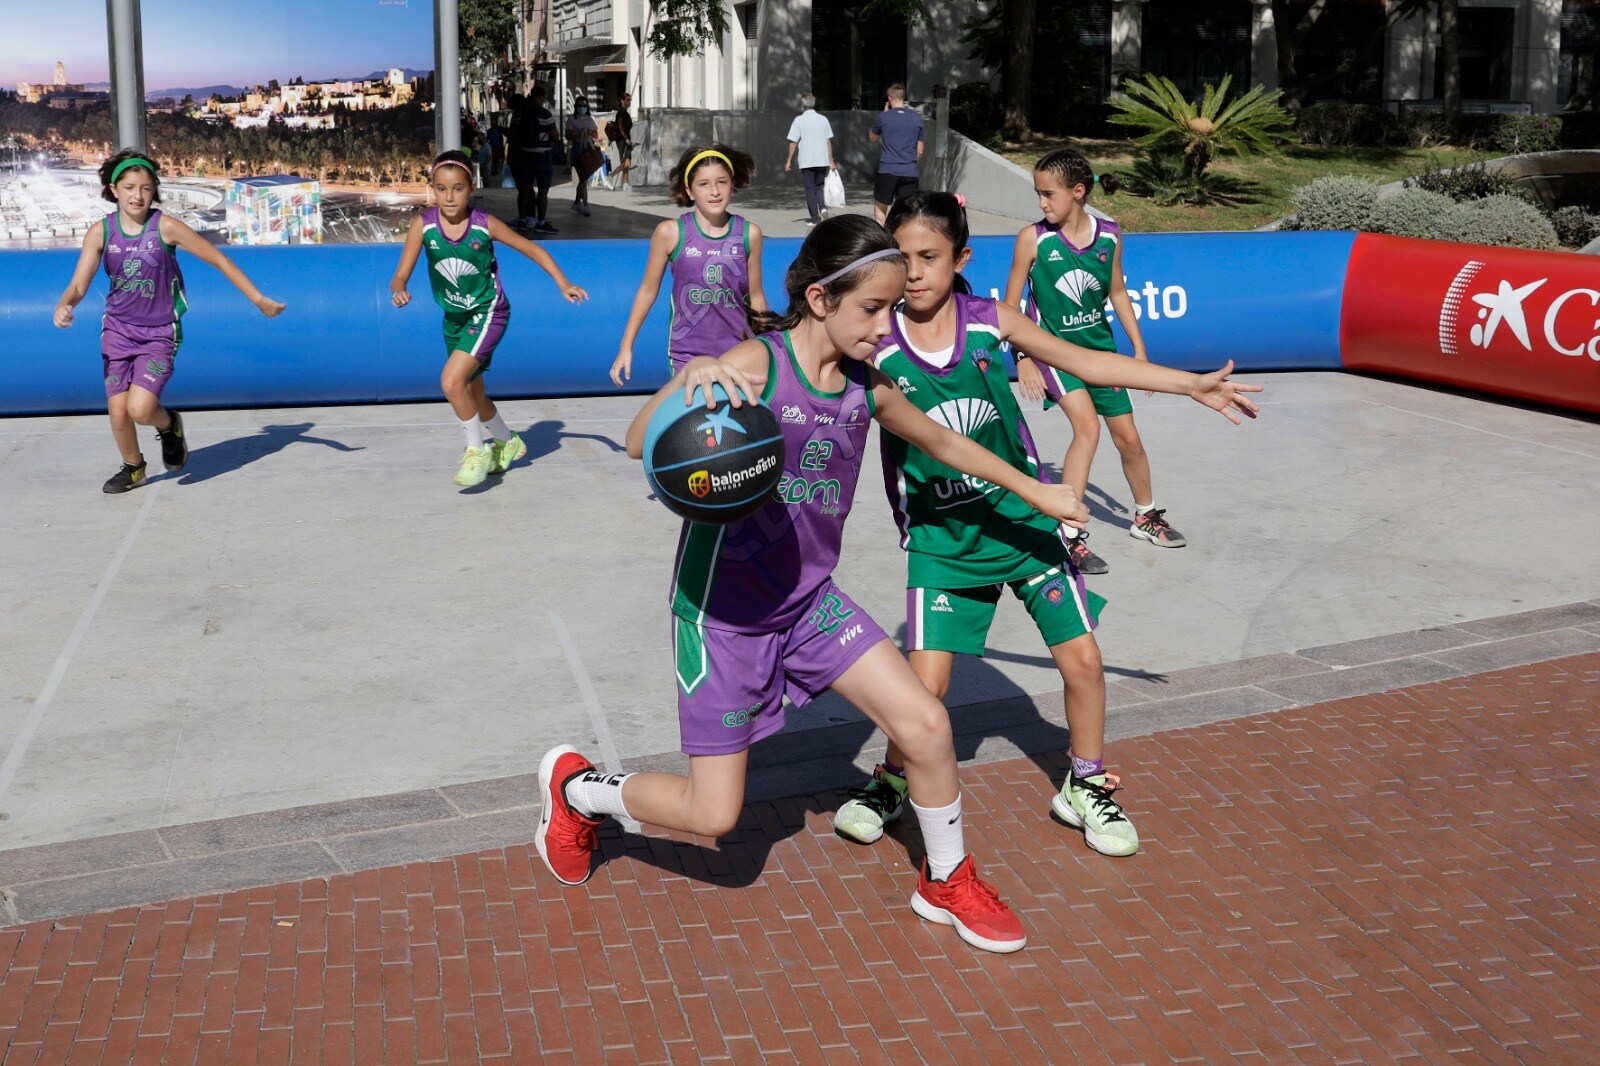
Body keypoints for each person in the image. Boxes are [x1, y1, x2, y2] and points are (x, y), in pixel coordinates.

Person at [537, 216, 1092, 955]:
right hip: (725, 614)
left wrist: (1041, 491)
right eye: (873, 310)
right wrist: (690, 383)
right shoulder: (755, 363)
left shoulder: (870, 387)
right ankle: (577, 790)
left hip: (808, 603)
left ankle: (947, 879)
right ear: (823, 299)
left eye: (895, 309)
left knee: (926, 725)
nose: (886, 325)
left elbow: (946, 441)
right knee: (714, 819)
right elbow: (643, 440)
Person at [832, 191, 1261, 855]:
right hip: (944, 539)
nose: (913, 272)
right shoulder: (874, 342)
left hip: (1026, 521)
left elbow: (1086, 362)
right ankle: (892, 778)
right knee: (928, 687)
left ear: (961, 258)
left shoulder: (988, 321)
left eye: (929, 257)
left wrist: (1188, 384)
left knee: (1084, 661)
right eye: (902, 257)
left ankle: (1084, 785)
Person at [52, 149, 286, 494]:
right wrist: (65, 304)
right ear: (114, 189)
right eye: (130, 187)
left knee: (141, 409)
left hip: (160, 332)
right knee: (118, 413)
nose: (138, 195)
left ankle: (170, 425)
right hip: (117, 330)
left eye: (146, 188)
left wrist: (259, 299)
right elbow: (78, 284)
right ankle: (134, 469)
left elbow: (219, 260)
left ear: (154, 191)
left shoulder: (166, 227)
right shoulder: (101, 232)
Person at [1006, 148, 1175, 576]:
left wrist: (1139, 352)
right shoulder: (1033, 239)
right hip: (1054, 355)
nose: (1042, 203)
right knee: (1088, 427)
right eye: (1038, 194)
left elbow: (1118, 293)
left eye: (1049, 194)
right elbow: (1008, 308)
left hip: (1101, 353)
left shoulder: (1111, 235)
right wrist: (1023, 357)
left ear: (1077, 192)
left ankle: (1145, 516)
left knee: (1129, 438)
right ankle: (1070, 535)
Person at [389, 150, 589, 487]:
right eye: (441, 189)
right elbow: (400, 275)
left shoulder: (485, 225)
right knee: (472, 391)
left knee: (451, 382)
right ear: (432, 190)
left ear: (471, 188)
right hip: (453, 318)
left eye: (457, 189)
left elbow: (533, 249)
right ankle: (508, 441)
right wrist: (399, 289)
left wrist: (563, 282)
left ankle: (476, 449)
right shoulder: (423, 226)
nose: (448, 197)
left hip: (488, 313)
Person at [610, 146, 767, 385]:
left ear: (732, 185)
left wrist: (769, 348)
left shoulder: (749, 234)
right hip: (688, 356)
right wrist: (626, 346)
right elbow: (647, 291)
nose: (714, 191)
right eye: (704, 184)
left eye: (721, 182)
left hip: (739, 353)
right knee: (696, 421)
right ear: (689, 190)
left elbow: (755, 297)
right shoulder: (670, 233)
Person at [868, 83, 924, 224]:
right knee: (907, 210)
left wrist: (886, 113)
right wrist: (909, 163)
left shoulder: (883, 117)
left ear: (889, 98)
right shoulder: (917, 118)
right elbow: (920, 150)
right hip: (910, 171)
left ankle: (882, 239)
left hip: (888, 169)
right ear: (903, 97)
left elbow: (872, 137)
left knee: (881, 207)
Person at [511, 85, 560, 233]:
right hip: (542, 156)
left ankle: (523, 220)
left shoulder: (519, 113)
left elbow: (512, 132)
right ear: (541, 97)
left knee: (524, 190)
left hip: (524, 155)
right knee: (543, 191)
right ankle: (541, 222)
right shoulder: (545, 114)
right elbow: (555, 135)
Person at [784, 92, 836, 226]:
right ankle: (823, 207)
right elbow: (828, 141)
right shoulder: (823, 119)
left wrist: (788, 160)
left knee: (809, 189)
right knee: (819, 187)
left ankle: (815, 219)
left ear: (802, 105)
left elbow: (793, 142)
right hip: (822, 160)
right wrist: (831, 160)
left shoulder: (799, 120)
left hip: (807, 160)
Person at [565, 94, 599, 217]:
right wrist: (578, 134)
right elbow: (568, 136)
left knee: (584, 178)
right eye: (579, 105)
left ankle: (576, 202)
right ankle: (585, 204)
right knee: (583, 178)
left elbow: (595, 135)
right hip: (577, 148)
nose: (582, 107)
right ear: (576, 106)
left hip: (588, 148)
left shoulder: (591, 119)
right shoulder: (571, 119)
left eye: (584, 105)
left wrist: (589, 132)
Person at [605, 93, 635, 191]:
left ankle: (625, 183)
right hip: (622, 140)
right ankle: (610, 176)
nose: (629, 102)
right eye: (627, 100)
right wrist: (627, 139)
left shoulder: (625, 112)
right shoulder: (621, 112)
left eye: (630, 100)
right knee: (626, 163)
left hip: (626, 139)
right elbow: (621, 127)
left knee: (627, 161)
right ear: (622, 101)